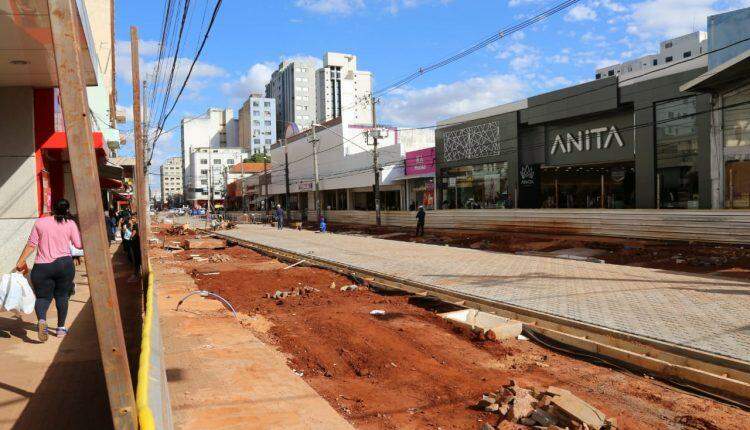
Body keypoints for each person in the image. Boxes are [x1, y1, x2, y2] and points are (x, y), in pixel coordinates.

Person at [15, 199, 81, 342]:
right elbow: (78, 244)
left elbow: (31, 245)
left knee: (43, 298)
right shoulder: (70, 224)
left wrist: (21, 261)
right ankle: (61, 329)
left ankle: (42, 321)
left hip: (42, 267)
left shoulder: (40, 222)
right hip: (64, 265)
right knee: (62, 296)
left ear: (52, 208)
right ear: (67, 210)